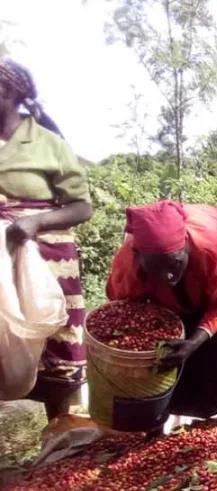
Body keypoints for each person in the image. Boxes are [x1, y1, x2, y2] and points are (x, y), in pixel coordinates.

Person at [106, 201, 217, 434]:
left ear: (186, 245)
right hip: (184, 272)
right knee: (160, 341)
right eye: (157, 268)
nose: (169, 275)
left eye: (174, 262)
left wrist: (194, 342)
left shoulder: (214, 248)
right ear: (138, 257)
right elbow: (125, 307)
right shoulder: (128, 263)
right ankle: (154, 428)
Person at [0, 56, 93, 418]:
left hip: (45, 256)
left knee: (54, 339)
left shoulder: (47, 143)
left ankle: (60, 427)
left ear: (7, 92)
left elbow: (81, 207)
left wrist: (35, 223)